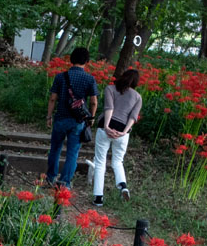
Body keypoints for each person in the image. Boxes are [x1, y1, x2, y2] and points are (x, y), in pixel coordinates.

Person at [45, 47, 99, 189]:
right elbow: (93, 101)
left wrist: (49, 116)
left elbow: (52, 98)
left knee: (55, 149)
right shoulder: (90, 79)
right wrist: (91, 117)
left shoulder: (60, 77)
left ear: (71, 59)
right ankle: (64, 183)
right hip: (78, 121)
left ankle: (50, 178)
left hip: (60, 118)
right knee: (72, 153)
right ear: (87, 61)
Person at [91, 68, 142, 206]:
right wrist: (124, 131)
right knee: (118, 161)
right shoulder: (137, 97)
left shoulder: (110, 89)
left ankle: (98, 198)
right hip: (122, 132)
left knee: (100, 162)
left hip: (105, 128)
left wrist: (107, 126)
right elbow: (133, 117)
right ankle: (123, 185)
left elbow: (109, 108)